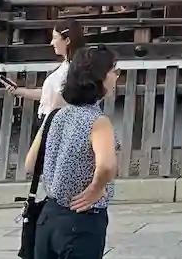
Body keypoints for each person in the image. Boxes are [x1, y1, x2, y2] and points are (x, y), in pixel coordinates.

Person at [24, 46, 119, 259]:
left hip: (49, 218)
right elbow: (106, 165)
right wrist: (96, 188)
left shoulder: (55, 116)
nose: (116, 76)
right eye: (114, 71)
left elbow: (30, 164)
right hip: (81, 221)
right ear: (100, 78)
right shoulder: (98, 122)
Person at [8, 20, 85, 116]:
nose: (52, 43)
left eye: (55, 38)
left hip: (55, 118)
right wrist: (19, 90)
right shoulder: (67, 66)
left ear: (67, 41)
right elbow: (47, 95)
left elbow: (59, 99)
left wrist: (47, 121)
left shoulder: (73, 69)